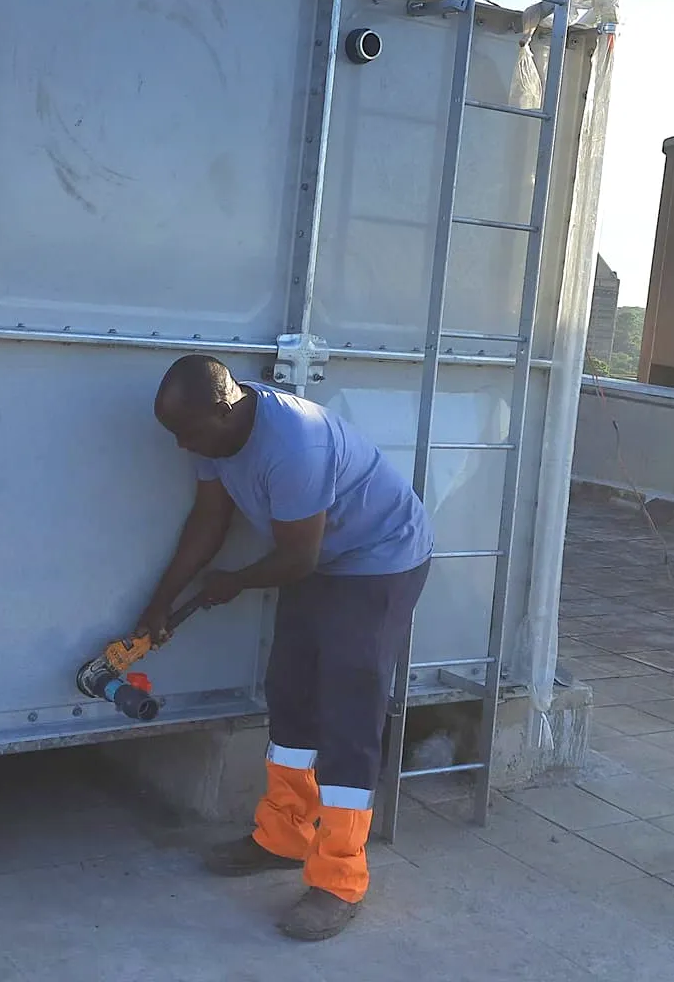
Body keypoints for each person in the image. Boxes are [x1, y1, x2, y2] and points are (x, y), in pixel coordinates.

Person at [137, 354, 432, 941]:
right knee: (291, 693)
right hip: (319, 560)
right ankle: (283, 835)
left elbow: (297, 558)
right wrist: (160, 602)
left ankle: (340, 878)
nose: (182, 446)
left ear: (225, 410)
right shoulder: (211, 431)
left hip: (378, 560)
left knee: (349, 711)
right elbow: (209, 520)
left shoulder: (295, 444)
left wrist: (234, 582)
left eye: (188, 433)